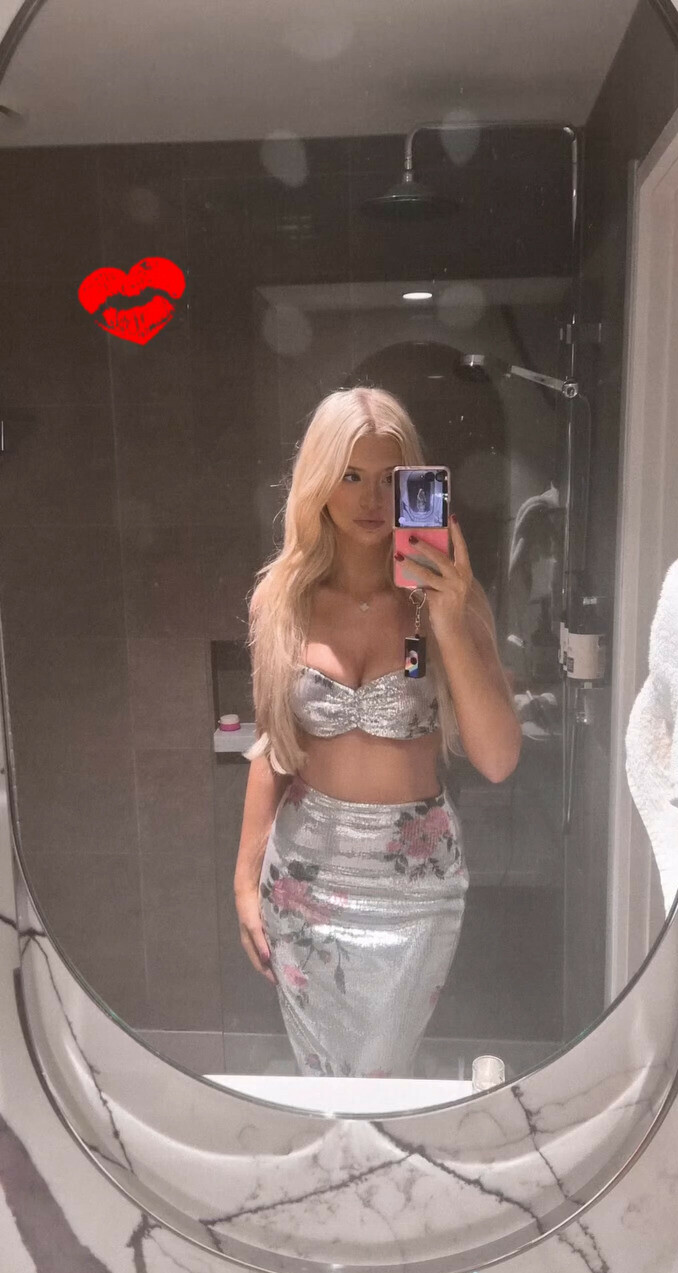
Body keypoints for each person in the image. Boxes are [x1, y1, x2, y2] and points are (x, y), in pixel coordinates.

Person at [234, 387, 521, 1078]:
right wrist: (244, 881)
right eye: (351, 475)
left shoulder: (450, 599)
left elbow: (498, 759)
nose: (371, 498)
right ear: (319, 482)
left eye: (391, 479)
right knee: (325, 1080)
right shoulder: (281, 601)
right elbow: (273, 746)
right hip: (304, 876)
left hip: (413, 886)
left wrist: (447, 618)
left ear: (416, 484)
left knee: (379, 1077)